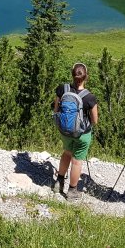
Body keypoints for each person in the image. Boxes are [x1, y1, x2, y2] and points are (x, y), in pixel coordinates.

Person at [52, 62, 99, 201]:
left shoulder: (62, 89)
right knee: (77, 161)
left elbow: (56, 110)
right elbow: (95, 120)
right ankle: (72, 191)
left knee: (66, 153)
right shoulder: (89, 97)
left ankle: (58, 183)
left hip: (64, 131)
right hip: (81, 134)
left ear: (72, 75)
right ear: (86, 77)